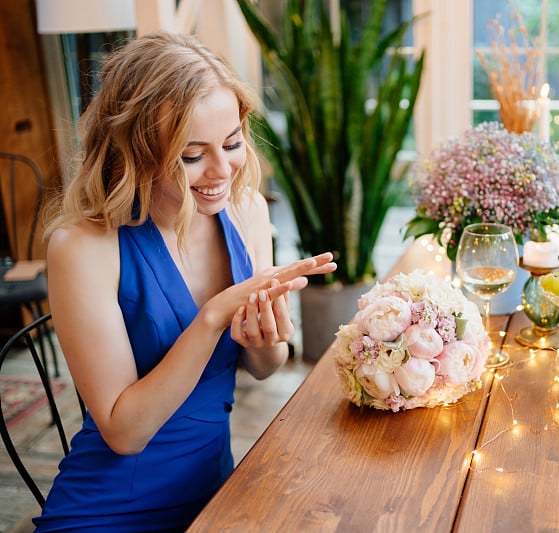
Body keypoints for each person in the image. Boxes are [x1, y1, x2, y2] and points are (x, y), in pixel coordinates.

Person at [34, 32, 336, 531]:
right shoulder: (82, 245)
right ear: (135, 151)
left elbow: (265, 367)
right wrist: (214, 317)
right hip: (110, 506)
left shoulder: (246, 212)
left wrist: (265, 338)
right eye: (192, 155)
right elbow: (125, 434)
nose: (222, 170)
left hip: (214, 492)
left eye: (233, 143)